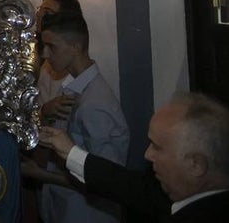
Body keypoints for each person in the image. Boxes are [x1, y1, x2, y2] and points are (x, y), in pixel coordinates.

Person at [40, 92, 229, 221]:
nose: (147, 154)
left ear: (195, 164)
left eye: (157, 147)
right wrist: (69, 151)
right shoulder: (174, 194)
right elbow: (123, 183)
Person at [25, 12, 129, 222]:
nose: (45, 54)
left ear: (76, 47)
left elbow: (104, 178)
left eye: (52, 46)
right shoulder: (76, 88)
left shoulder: (95, 102)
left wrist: (39, 174)